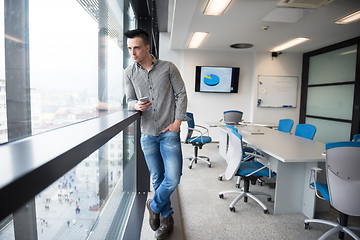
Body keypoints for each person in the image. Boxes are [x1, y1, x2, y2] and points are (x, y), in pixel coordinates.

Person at [124, 28, 188, 240]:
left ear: (147, 47)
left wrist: (178, 121)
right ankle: (167, 219)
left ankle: (154, 205)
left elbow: (181, 93)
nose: (132, 52)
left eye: (136, 48)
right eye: (129, 48)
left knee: (173, 178)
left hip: (169, 130)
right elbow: (129, 101)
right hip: (147, 133)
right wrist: (137, 106)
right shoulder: (129, 73)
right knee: (158, 178)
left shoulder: (168, 68)